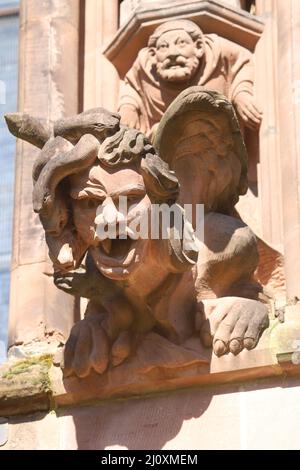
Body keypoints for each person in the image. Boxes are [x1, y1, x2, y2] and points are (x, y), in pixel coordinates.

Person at [119, 19, 262, 140]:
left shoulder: (218, 50)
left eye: (181, 43)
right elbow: (131, 86)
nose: (172, 53)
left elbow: (244, 61)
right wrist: (128, 108)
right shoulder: (144, 65)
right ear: (152, 54)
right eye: (163, 47)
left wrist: (241, 92)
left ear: (199, 47)